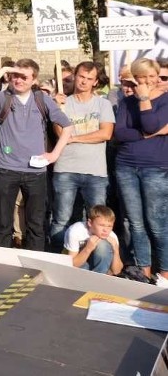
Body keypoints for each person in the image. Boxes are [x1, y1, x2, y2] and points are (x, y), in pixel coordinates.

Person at [0, 59, 73, 252]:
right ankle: (2, 260)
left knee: (36, 224)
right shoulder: (4, 98)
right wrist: (4, 68)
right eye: (15, 76)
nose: (18, 80)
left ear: (34, 79)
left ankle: (35, 261)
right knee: (3, 222)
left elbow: (68, 126)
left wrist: (54, 154)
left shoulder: (42, 99)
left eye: (24, 77)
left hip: (35, 171)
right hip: (6, 169)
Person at [113, 57, 168, 287]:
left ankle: (164, 272)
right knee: (135, 223)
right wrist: (151, 134)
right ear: (134, 79)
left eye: (150, 76)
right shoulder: (126, 102)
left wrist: (145, 99)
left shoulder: (165, 100)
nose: (146, 81)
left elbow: (149, 124)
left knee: (157, 222)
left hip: (155, 167)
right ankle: (143, 270)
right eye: (141, 77)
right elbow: (120, 133)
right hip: (126, 166)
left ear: (156, 75)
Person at [49, 62, 115, 250]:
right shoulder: (64, 103)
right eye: (81, 77)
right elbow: (60, 133)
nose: (84, 82)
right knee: (61, 219)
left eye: (89, 79)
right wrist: (56, 109)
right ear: (75, 76)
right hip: (66, 169)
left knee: (98, 222)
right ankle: (57, 257)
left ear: (95, 82)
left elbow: (105, 134)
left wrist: (74, 138)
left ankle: (95, 260)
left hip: (95, 172)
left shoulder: (103, 104)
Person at [63, 205, 123, 275]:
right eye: (101, 225)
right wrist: (88, 248)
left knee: (103, 245)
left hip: (98, 269)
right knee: (84, 269)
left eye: (109, 226)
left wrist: (116, 250)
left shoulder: (112, 236)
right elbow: (72, 265)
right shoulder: (75, 231)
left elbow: (116, 271)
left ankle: (99, 279)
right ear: (90, 223)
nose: (106, 230)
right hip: (78, 264)